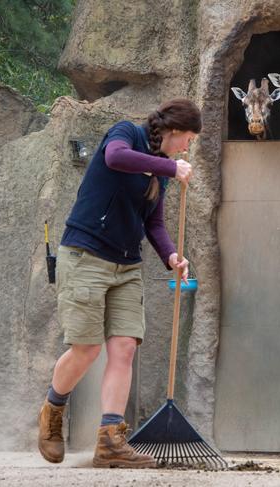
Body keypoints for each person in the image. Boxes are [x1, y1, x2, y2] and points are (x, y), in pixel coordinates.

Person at [38, 99, 202, 468]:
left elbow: (154, 224)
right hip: (86, 255)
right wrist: (170, 166)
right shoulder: (126, 133)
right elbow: (115, 158)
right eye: (187, 139)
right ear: (174, 131)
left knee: (125, 346)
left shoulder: (161, 173)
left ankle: (110, 441)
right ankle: (52, 409)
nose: (187, 148)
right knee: (87, 349)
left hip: (127, 265)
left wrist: (172, 256)